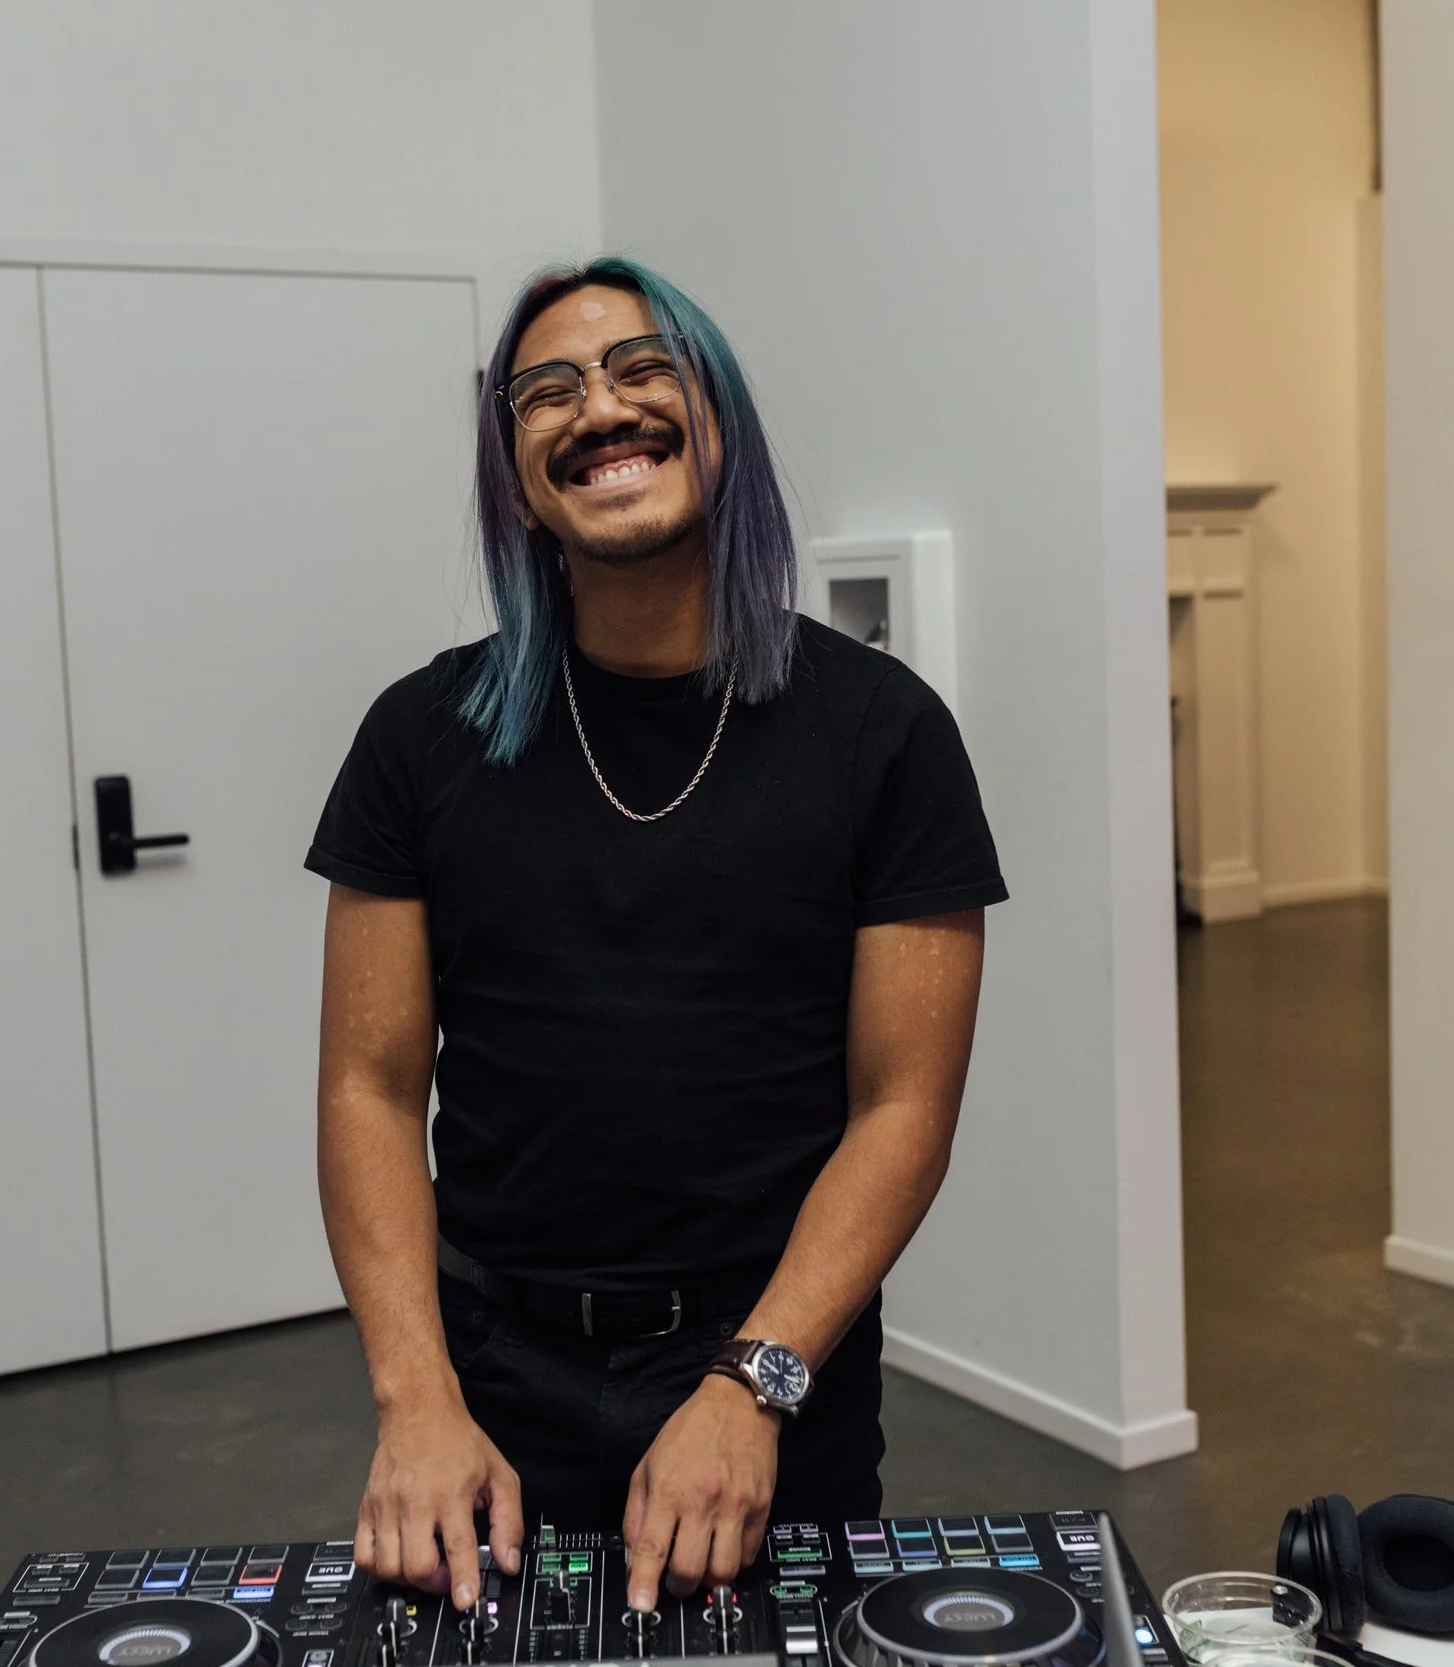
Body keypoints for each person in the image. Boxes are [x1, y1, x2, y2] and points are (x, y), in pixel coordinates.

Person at [308, 257, 1004, 1620]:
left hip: (776, 1363)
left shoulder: (884, 734)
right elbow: (369, 1090)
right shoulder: (417, 739)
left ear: (719, 424)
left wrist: (756, 1383)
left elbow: (903, 1104)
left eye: (643, 371)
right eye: (546, 391)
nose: (599, 408)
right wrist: (416, 1397)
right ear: (517, 475)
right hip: (496, 1374)